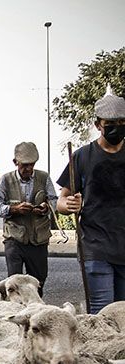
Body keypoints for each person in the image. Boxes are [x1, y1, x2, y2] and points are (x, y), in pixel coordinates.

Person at [57, 87, 125, 314]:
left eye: (122, 122)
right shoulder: (82, 156)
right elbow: (61, 201)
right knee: (102, 313)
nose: (117, 128)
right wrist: (69, 205)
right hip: (95, 247)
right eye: (111, 124)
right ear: (98, 125)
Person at [0, 141, 58, 294]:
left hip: (38, 239)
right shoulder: (6, 180)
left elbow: (54, 201)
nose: (29, 169)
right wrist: (14, 209)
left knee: (38, 281)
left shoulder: (43, 177)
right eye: (25, 165)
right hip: (14, 238)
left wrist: (46, 208)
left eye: (31, 165)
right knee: (14, 282)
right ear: (15, 162)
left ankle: (35, 310)